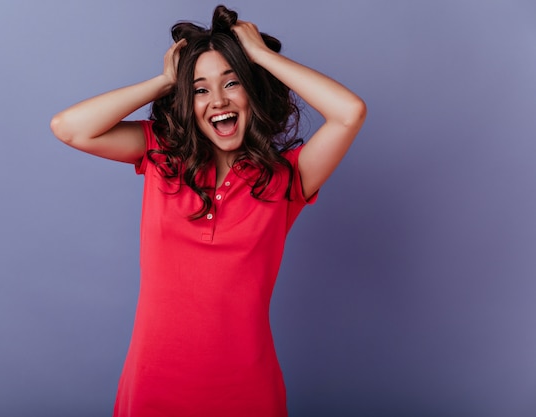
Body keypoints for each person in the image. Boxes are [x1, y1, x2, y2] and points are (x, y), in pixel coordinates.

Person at [50, 5, 365, 417]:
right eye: (200, 89)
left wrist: (262, 57)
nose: (218, 100)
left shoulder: (287, 178)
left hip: (247, 392)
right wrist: (166, 80)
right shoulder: (160, 154)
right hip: (153, 387)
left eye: (232, 83)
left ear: (253, 89)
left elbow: (349, 113)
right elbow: (69, 127)